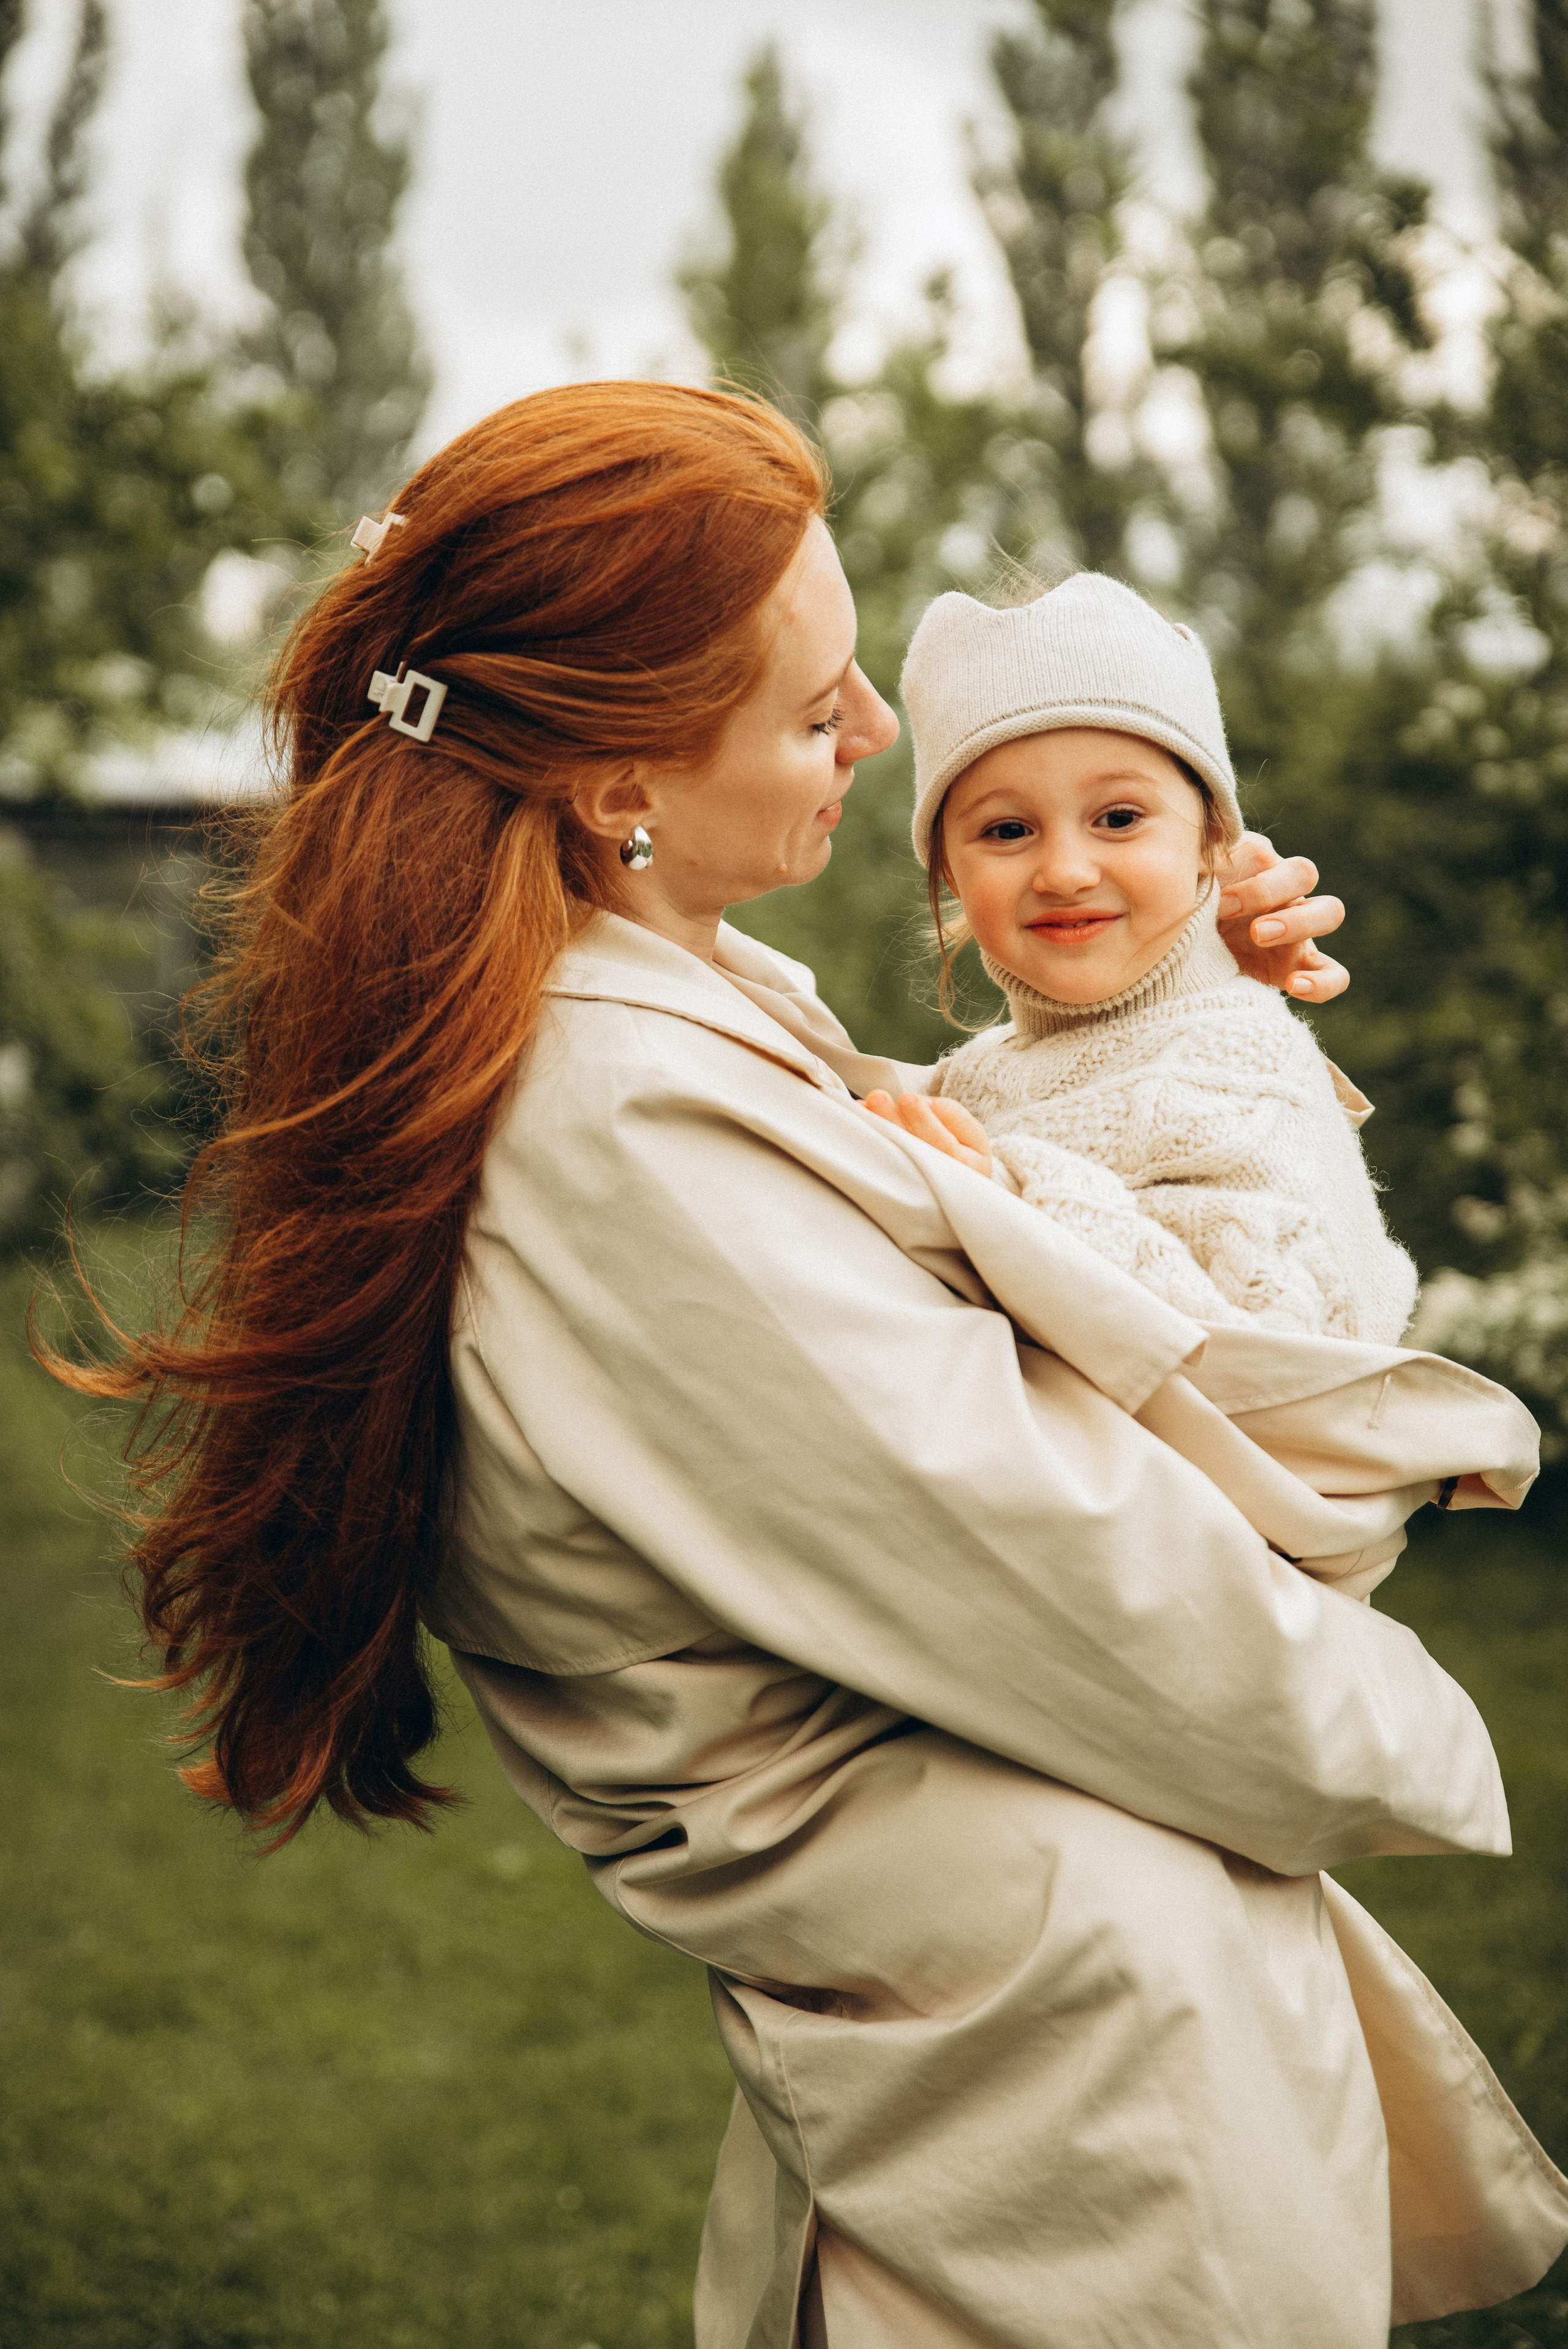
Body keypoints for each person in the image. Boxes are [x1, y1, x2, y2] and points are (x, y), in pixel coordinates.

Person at [51, 382, 1567, 2348]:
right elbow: (1073, 1568)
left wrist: (1200, 1031)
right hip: (1070, 2050)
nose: (871, 736)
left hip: (1017, 2018)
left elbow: (997, 1214)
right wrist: (1395, 1720)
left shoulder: (669, 1011)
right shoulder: (625, 1136)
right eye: (810, 706)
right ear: (619, 778)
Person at [862, 571, 1418, 1344]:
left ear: (1211, 841)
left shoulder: (1244, 1061)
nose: (1064, 871)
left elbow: (1284, 1345)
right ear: (948, 872)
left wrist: (1003, 1205)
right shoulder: (970, 1081)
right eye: (1006, 831)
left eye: (1118, 818)